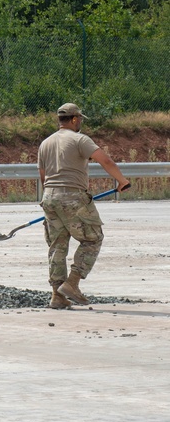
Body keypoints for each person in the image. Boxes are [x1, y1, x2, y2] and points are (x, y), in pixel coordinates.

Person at [37, 103, 131, 309]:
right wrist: (122, 181)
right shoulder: (80, 139)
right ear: (73, 119)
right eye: (80, 118)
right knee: (93, 239)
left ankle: (56, 296)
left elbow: (43, 174)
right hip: (73, 196)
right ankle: (72, 283)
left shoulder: (45, 143)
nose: (81, 122)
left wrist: (50, 198)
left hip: (49, 197)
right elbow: (105, 161)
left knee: (57, 246)